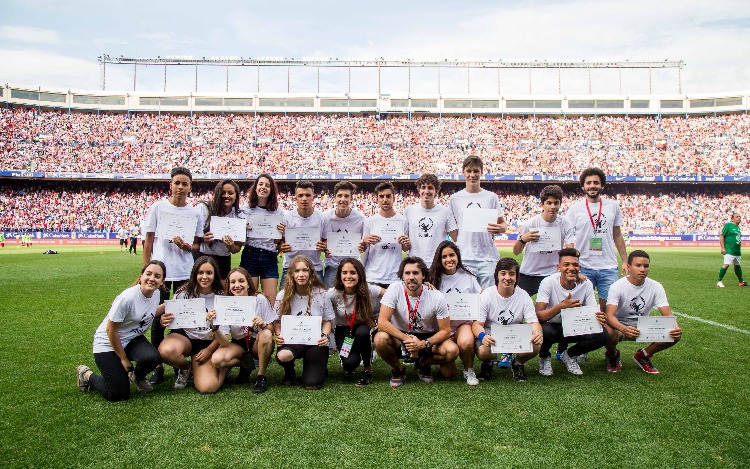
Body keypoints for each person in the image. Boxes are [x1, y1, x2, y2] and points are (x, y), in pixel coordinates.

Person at [142, 166, 204, 385]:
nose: (180, 187)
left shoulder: (194, 212)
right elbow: (148, 241)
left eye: (184, 183)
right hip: (162, 273)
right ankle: (157, 366)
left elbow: (197, 244)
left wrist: (186, 245)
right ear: (171, 184)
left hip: (185, 272)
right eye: (177, 182)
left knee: (182, 317)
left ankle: (179, 364)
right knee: (158, 318)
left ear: (190, 187)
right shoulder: (158, 208)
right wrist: (146, 271)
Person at [75, 261, 166, 401]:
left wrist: (174, 307)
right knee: (118, 395)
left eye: (157, 276)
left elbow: (151, 312)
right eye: (148, 274)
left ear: (162, 281)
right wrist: (124, 359)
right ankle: (86, 374)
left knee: (153, 357)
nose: (152, 278)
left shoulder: (156, 293)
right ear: (141, 276)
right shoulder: (127, 298)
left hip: (131, 338)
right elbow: (110, 330)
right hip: (107, 343)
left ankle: (137, 378)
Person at [374, 256, 459, 388]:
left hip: (426, 336)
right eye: (407, 273)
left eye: (416, 273)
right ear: (402, 276)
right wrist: (408, 339)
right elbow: (382, 322)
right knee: (380, 339)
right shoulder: (394, 289)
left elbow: (445, 330)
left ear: (423, 275)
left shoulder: (436, 296)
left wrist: (422, 344)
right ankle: (398, 369)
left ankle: (422, 364)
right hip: (400, 335)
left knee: (452, 351)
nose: (411, 277)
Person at [604, 250, 682, 374]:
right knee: (607, 331)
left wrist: (675, 327)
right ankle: (612, 355)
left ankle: (643, 355)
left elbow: (667, 314)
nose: (642, 269)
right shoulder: (617, 286)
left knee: (674, 333)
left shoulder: (656, 286)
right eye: (638, 265)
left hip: (643, 325)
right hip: (620, 325)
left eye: (646, 266)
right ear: (629, 267)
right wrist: (623, 329)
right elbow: (609, 315)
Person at [535, 248, 609, 376]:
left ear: (579, 267)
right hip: (553, 326)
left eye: (575, 265)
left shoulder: (586, 284)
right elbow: (538, 315)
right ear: (558, 267)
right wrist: (561, 307)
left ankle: (569, 355)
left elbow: (592, 311)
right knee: (542, 330)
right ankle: (544, 356)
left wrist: (599, 318)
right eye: (566, 265)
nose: (571, 268)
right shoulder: (548, 282)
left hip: (576, 326)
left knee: (603, 334)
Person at [157, 256, 226, 393]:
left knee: (207, 387)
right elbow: (171, 316)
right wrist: (163, 321)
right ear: (194, 274)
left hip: (207, 341)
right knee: (166, 351)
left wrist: (209, 350)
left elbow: (224, 332)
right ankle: (185, 368)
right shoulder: (184, 292)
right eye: (200, 272)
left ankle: (224, 368)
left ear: (215, 274)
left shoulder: (222, 295)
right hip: (185, 337)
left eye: (209, 273)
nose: (204, 277)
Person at [566, 167, 628, 312]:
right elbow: (567, 237)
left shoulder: (612, 206)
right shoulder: (575, 209)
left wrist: (625, 260)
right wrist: (572, 266)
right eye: (588, 183)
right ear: (583, 186)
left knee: (608, 308)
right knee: (580, 307)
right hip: (583, 266)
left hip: (608, 267)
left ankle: (606, 335)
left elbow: (617, 234)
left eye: (596, 182)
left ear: (602, 185)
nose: (592, 185)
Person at [472, 258, 543, 382]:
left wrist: (538, 333)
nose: (507, 277)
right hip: (491, 334)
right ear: (497, 275)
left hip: (514, 335)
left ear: (516, 276)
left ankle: (518, 363)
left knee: (536, 344)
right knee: (483, 351)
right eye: (503, 273)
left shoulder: (523, 296)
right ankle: (488, 363)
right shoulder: (487, 295)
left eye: (512, 274)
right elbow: (477, 324)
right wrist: (483, 336)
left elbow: (534, 322)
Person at [208, 267, 276, 393]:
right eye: (233, 282)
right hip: (238, 343)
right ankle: (246, 366)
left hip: (257, 342)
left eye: (241, 281)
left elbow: (271, 329)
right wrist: (214, 326)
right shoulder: (224, 304)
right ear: (228, 286)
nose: (237, 285)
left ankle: (261, 377)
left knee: (266, 334)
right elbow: (224, 343)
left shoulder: (259, 300)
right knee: (217, 360)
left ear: (248, 284)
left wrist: (263, 325)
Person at [274, 255, 334, 390]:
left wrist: (325, 336)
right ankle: (290, 372)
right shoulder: (282, 295)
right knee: (283, 356)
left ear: (311, 272)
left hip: (315, 342)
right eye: (297, 271)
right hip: (292, 341)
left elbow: (327, 320)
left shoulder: (321, 293)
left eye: (305, 270)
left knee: (311, 384)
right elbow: (277, 321)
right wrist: (279, 335)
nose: (301, 274)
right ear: (291, 274)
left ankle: (317, 366)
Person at [429, 240, 482, 386]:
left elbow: (479, 298)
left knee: (466, 342)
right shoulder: (432, 278)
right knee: (449, 374)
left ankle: (469, 369)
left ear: (457, 256)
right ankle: (425, 360)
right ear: (439, 260)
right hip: (441, 328)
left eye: (451, 255)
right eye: (444, 257)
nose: (448, 260)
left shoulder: (468, 277)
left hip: (461, 323)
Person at [448, 155, 506, 288]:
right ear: (463, 172)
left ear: (481, 172)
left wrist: (500, 228)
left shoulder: (491, 197)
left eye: (476, 171)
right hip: (465, 256)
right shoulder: (455, 199)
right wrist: (464, 239)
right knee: (468, 299)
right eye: (469, 171)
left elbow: (503, 224)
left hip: (488, 257)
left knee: (488, 299)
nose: (472, 175)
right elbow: (453, 229)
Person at [328, 258, 384, 386]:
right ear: (339, 275)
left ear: (359, 274)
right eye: (344, 273)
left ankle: (367, 369)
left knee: (363, 333)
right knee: (349, 365)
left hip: (362, 327)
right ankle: (351, 356)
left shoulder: (369, 289)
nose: (348, 276)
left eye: (353, 273)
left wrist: (424, 287)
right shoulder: (333, 293)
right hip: (344, 330)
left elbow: (392, 294)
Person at [514, 185, 575, 297]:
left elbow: (571, 250)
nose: (553, 206)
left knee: (558, 307)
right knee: (518, 304)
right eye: (549, 203)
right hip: (530, 272)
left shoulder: (565, 224)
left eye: (556, 203)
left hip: (553, 273)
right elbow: (516, 251)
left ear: (560, 204)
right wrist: (523, 240)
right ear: (542, 204)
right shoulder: (530, 224)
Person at [240, 173, 284, 306]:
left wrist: (280, 234)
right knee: (249, 299)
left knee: (270, 301)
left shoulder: (278, 212)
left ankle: (267, 327)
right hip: (250, 254)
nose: (264, 187)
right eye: (261, 184)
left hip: (269, 255)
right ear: (255, 187)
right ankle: (250, 327)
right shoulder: (244, 210)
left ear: (271, 190)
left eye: (267, 185)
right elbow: (241, 240)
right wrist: (242, 229)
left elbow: (276, 241)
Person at [361, 181, 411, 294]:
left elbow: (405, 248)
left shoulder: (403, 221)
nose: (385, 200)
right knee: (372, 312)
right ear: (377, 199)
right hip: (373, 277)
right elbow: (363, 249)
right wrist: (365, 241)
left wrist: (406, 243)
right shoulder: (370, 221)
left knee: (395, 311)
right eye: (381, 196)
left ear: (394, 197)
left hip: (394, 277)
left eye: (388, 196)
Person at [278, 181, 329, 285]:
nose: (304, 198)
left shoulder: (322, 218)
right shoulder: (286, 218)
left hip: (314, 268)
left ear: (313, 197)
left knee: (321, 300)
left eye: (307, 195)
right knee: (284, 300)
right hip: (290, 267)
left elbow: (327, 241)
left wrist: (324, 246)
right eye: (300, 195)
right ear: (295, 198)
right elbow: (280, 241)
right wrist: (282, 246)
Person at [404, 174, 457, 268]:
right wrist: (405, 244)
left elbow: (457, 238)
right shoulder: (409, 211)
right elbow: (404, 246)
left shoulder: (445, 212)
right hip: (415, 265)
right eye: (423, 187)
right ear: (419, 190)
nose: (426, 191)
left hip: (437, 264)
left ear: (436, 191)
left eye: (430, 188)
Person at [196, 179, 244, 280]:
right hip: (203, 257)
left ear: (236, 195)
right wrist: (202, 238)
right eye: (223, 193)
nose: (226, 196)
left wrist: (231, 246)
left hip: (223, 260)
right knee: (201, 291)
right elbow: (191, 238)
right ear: (217, 194)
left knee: (222, 293)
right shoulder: (203, 208)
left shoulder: (240, 216)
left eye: (230, 193)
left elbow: (237, 248)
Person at [323, 181, 366, 288]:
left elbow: (365, 244)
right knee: (330, 302)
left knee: (353, 302)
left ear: (351, 198)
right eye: (340, 196)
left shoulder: (361, 219)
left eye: (346, 196)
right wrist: (324, 248)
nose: (343, 199)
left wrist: (363, 245)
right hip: (333, 267)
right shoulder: (325, 217)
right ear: (335, 198)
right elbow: (320, 240)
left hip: (353, 268)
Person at [717, 213, 748, 287]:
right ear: (732, 219)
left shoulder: (738, 228)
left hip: (737, 250)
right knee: (726, 265)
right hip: (729, 249)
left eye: (740, 216)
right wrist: (723, 247)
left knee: (737, 266)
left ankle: (741, 282)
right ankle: (719, 281)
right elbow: (722, 236)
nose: (739, 218)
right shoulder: (728, 226)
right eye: (737, 217)